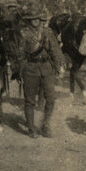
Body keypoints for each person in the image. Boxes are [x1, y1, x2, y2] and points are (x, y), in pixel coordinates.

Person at [19, 7, 63, 138]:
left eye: (37, 19)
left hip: (46, 68)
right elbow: (20, 55)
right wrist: (20, 72)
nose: (35, 21)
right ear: (29, 20)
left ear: (40, 19)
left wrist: (58, 66)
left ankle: (46, 124)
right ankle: (31, 128)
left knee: (51, 98)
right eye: (32, 19)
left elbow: (54, 50)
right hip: (30, 69)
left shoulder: (47, 32)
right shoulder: (23, 34)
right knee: (30, 101)